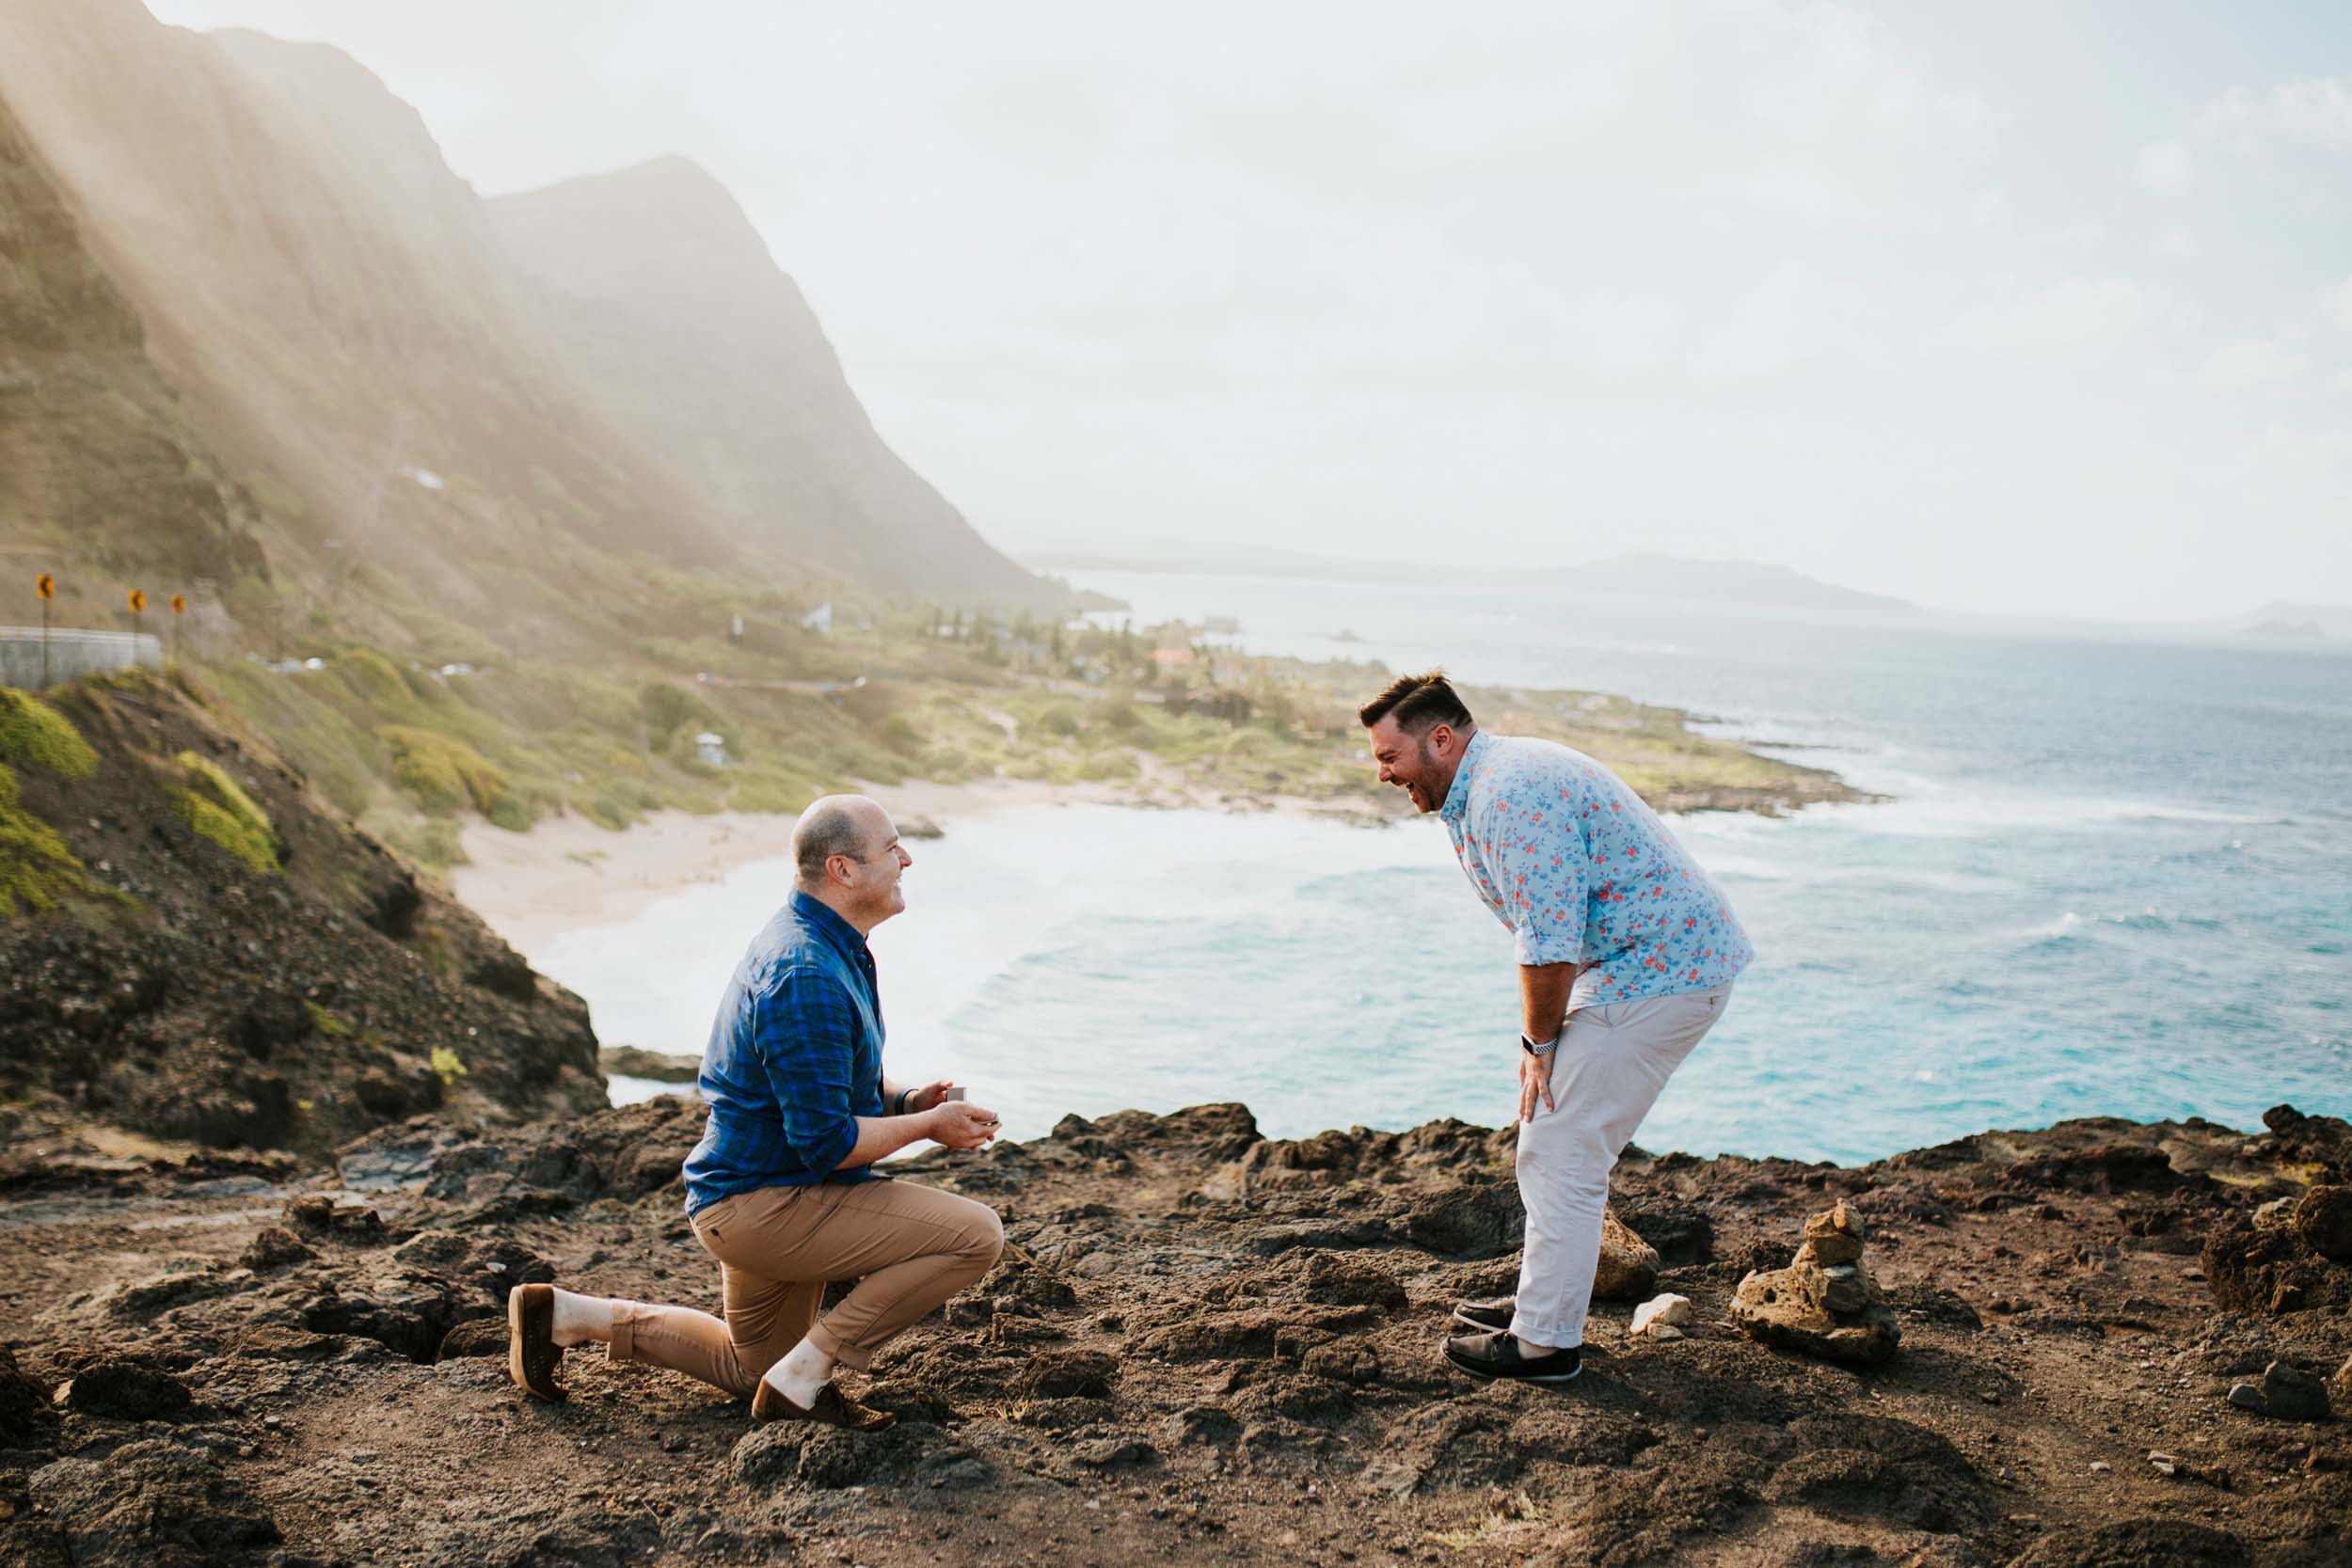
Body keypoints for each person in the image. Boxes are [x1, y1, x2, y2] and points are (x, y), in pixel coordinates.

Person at [506, 794, 1005, 1428]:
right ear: (843, 870)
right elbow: (827, 1141)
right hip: (768, 1206)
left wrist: (906, 1101)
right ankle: (810, 1372)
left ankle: (567, 1316)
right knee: (976, 1235)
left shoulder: (827, 943)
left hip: (748, 1195)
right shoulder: (806, 972)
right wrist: (930, 1127)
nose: (906, 857)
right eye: (891, 847)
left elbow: (825, 1083)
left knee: (752, 1373)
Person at [1359, 672, 1749, 1386]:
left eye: (1389, 756)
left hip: (1661, 973)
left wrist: (1539, 1045)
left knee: (1561, 1144)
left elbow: (1548, 940)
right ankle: (1545, 1305)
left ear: (1440, 738)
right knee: (1557, 1143)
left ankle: (1545, 1343)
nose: (1381, 772)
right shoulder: (1488, 783)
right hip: (1644, 965)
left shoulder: (1511, 794)